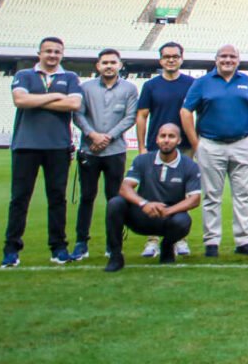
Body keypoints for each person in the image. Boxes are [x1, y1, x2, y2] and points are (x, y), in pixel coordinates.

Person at [1, 36, 84, 268]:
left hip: (58, 146)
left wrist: (35, 100)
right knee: (19, 198)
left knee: (57, 198)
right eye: (48, 51)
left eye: (57, 52)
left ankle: (58, 247)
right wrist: (56, 96)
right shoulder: (25, 75)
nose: (52, 55)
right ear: (39, 53)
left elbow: (74, 105)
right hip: (25, 145)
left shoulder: (70, 77)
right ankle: (11, 248)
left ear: (62, 54)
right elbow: (20, 100)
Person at [180, 43, 248, 257]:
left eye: (232, 57)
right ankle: (212, 242)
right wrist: (196, 144)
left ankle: (244, 240)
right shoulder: (203, 83)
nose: (228, 60)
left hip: (242, 144)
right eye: (223, 56)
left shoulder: (247, 82)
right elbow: (186, 112)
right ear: (216, 59)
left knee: (244, 195)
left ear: (238, 59)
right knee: (212, 195)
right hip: (211, 144)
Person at [104, 124, 201, 272]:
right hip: (142, 214)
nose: (166, 140)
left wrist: (168, 211)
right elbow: (125, 188)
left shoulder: (189, 166)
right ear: (156, 139)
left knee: (183, 221)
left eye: (171, 136)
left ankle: (167, 247)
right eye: (163, 136)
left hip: (168, 218)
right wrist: (144, 204)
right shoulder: (142, 160)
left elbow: (194, 199)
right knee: (115, 203)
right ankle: (115, 256)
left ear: (179, 140)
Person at [72, 48, 139, 261]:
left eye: (113, 62)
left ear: (120, 65)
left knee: (115, 199)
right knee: (86, 197)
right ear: (97, 66)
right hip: (89, 151)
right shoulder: (85, 88)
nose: (109, 66)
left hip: (115, 151)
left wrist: (107, 137)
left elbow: (130, 117)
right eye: (105, 62)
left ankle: (114, 244)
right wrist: (92, 135)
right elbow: (78, 114)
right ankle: (81, 242)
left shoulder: (129, 89)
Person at [135, 41, 196, 257]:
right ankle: (152, 239)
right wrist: (142, 147)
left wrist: (196, 143)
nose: (171, 59)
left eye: (175, 56)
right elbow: (142, 116)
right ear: (160, 60)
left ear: (181, 58)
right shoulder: (151, 86)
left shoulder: (191, 83)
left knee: (181, 193)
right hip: (155, 148)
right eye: (167, 56)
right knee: (153, 192)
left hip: (185, 148)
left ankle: (179, 238)